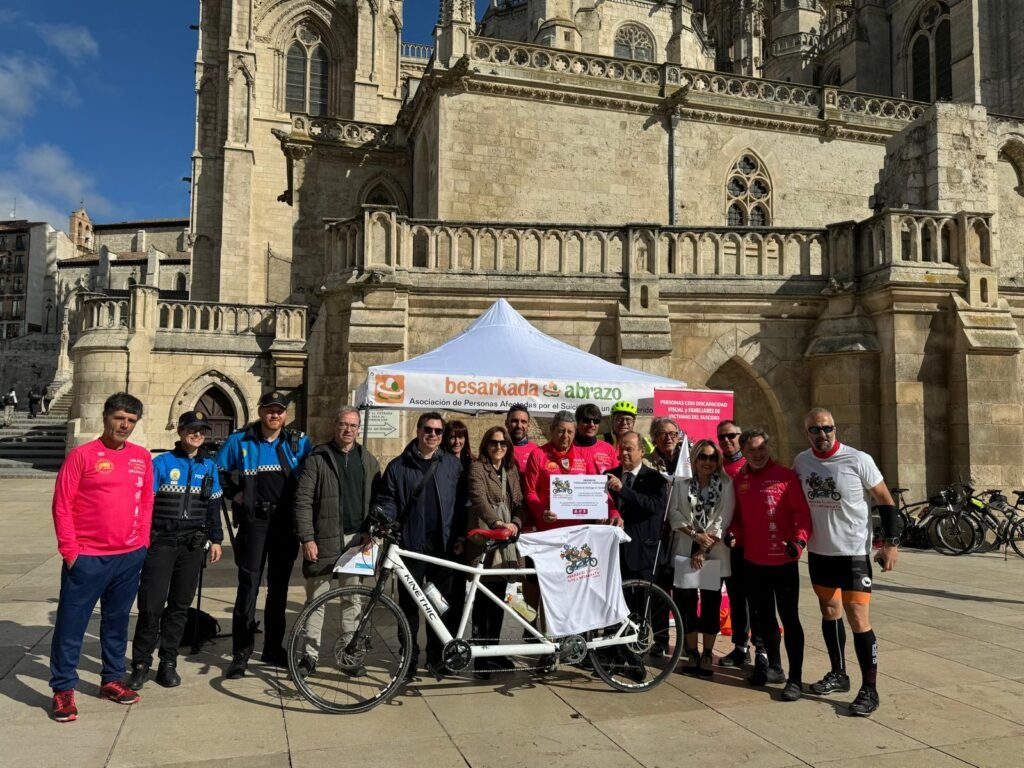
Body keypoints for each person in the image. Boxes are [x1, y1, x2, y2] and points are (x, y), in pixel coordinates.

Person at [49, 392, 153, 723]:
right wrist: (70, 552)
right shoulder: (82, 456)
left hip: (128, 556)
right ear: (105, 417)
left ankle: (111, 679)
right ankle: (63, 688)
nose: (125, 425)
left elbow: (146, 500)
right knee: (71, 624)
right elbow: (62, 505)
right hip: (88, 557)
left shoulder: (141, 457)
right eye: (120, 418)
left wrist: (143, 542)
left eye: (131, 421)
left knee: (117, 622)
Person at [793, 407, 898, 717]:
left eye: (827, 428)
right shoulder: (802, 462)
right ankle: (838, 673)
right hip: (820, 551)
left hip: (853, 552)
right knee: (829, 612)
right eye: (815, 429)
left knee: (857, 616)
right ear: (807, 433)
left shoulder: (858, 459)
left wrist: (890, 544)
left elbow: (884, 499)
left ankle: (870, 688)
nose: (822, 434)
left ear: (835, 428)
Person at [216, 391, 312, 679]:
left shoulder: (299, 442)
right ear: (260, 411)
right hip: (254, 522)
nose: (275, 415)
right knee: (248, 587)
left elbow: (312, 479)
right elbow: (218, 472)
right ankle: (241, 653)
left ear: (286, 414)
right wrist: (236, 494)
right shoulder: (239, 440)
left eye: (280, 411)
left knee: (279, 588)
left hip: (285, 525)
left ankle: (273, 648)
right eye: (269, 410)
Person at [127, 411, 224, 690]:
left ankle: (168, 662)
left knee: (179, 606)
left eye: (202, 430)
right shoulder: (162, 463)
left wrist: (216, 539)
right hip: (162, 543)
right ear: (181, 432)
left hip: (192, 546)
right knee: (151, 606)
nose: (197, 434)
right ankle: (141, 664)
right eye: (192, 429)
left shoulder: (210, 467)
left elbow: (213, 506)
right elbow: (145, 503)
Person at [293, 406, 381, 679]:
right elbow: (303, 500)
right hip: (323, 539)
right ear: (335, 425)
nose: (348, 430)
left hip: (357, 541)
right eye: (343, 424)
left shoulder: (368, 460)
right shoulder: (318, 458)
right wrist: (307, 537)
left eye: (353, 425)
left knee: (352, 601)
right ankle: (309, 657)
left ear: (358, 429)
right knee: (316, 601)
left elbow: (377, 503)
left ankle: (348, 657)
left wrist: (372, 532)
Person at [376, 411, 465, 680]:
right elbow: (388, 498)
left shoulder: (451, 464)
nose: (433, 435)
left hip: (443, 548)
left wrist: (460, 536)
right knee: (410, 607)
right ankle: (409, 657)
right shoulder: (398, 466)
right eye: (429, 429)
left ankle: (438, 657)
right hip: (411, 547)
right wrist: (387, 518)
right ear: (418, 431)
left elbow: (461, 505)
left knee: (440, 606)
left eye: (439, 431)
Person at [730, 428, 812, 702]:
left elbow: (802, 514)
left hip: (783, 561)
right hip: (754, 561)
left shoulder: (786, 476)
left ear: (768, 447)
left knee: (790, 618)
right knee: (764, 619)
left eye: (761, 448)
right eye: (751, 450)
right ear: (744, 452)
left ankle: (796, 679)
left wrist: (799, 541)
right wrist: (734, 535)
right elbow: (738, 519)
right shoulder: (740, 480)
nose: (757, 454)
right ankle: (774, 667)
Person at [670, 439, 734, 678]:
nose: (707, 462)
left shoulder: (726, 484)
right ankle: (691, 652)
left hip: (713, 553)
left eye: (712, 457)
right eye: (702, 457)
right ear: (695, 460)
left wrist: (703, 549)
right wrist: (695, 537)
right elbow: (674, 513)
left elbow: (723, 520)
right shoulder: (682, 484)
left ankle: (707, 653)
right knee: (685, 603)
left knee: (710, 603)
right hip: (686, 548)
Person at [465, 425, 524, 679]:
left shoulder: (511, 470)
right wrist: (497, 524)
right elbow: (478, 498)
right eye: (493, 443)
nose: (498, 447)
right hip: (487, 539)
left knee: (500, 597)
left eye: (502, 443)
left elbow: (519, 503)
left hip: (507, 540)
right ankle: (479, 654)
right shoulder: (478, 467)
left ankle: (494, 651)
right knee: (483, 599)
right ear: (486, 445)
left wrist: (517, 524)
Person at [524, 411, 622, 531]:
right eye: (561, 431)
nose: (565, 436)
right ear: (551, 429)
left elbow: (599, 490)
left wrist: (614, 514)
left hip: (579, 529)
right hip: (549, 528)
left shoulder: (584, 455)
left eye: (570, 432)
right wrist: (541, 513)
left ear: (575, 433)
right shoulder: (538, 455)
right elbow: (530, 492)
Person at [716, 419, 759, 669]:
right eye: (722, 437)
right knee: (735, 598)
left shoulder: (750, 465)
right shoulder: (717, 467)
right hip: (724, 544)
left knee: (752, 599)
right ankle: (741, 647)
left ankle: (761, 650)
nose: (727, 440)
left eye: (731, 435)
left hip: (750, 544)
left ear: (740, 437)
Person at [606, 432, 669, 581]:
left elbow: (654, 507)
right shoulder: (608, 475)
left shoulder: (655, 478)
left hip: (643, 555)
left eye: (629, 449)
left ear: (642, 451)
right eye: (621, 449)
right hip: (613, 554)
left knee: (642, 603)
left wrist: (623, 490)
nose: (624, 453)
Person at [572, 403, 618, 474]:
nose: (592, 424)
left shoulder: (609, 449)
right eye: (586, 420)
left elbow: (616, 476)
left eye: (596, 421)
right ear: (577, 422)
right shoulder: (566, 447)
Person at [505, 404, 539, 476]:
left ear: (528, 425)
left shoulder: (537, 451)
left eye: (523, 421)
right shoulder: (496, 449)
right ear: (506, 423)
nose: (519, 426)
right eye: (514, 421)